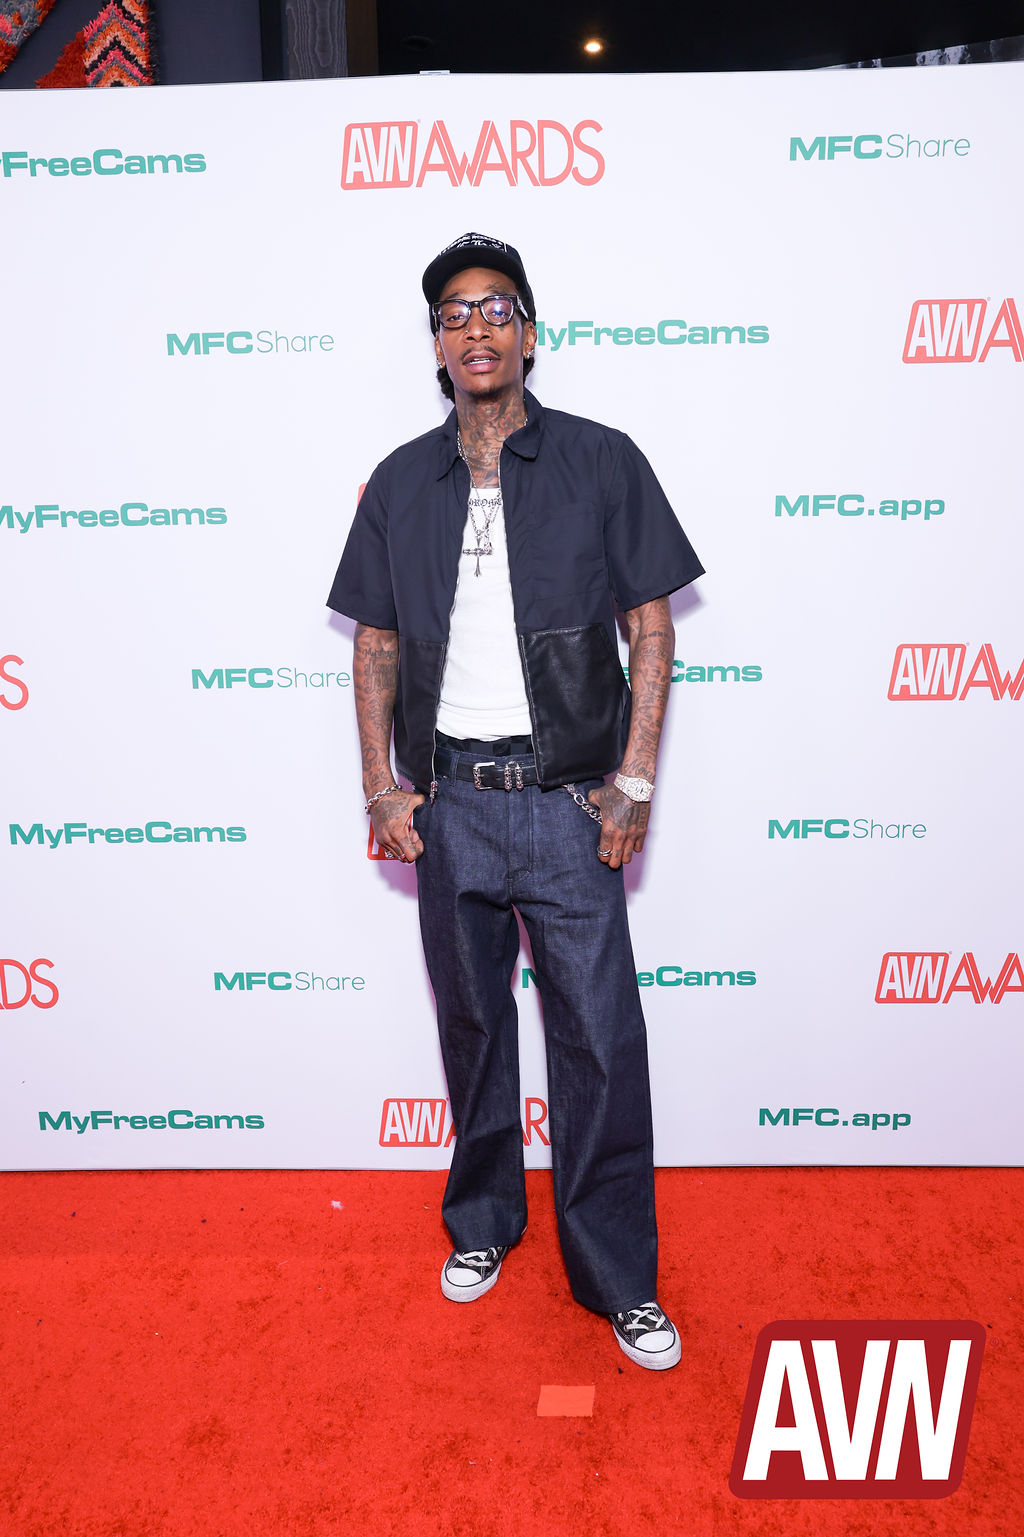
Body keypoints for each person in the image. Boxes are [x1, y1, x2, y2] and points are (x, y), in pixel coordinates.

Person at [327, 232, 704, 1369]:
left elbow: (650, 629)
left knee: (599, 1040)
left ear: (529, 333)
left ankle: (618, 1276)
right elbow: (375, 644)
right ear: (436, 347)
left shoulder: (600, 460)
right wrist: (382, 787)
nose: (475, 327)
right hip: (450, 802)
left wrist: (634, 780)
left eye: (496, 308)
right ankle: (485, 1220)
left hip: (568, 805)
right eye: (453, 314)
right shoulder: (401, 481)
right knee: (474, 1026)